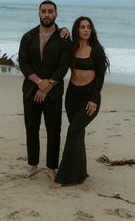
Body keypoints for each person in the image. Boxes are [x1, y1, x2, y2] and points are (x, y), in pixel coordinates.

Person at [51, 16, 109, 187]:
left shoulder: (97, 50)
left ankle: (63, 177)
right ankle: (81, 173)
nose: (85, 30)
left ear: (92, 31)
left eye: (88, 27)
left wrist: (94, 99)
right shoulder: (71, 48)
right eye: (82, 27)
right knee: (79, 133)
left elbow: (100, 77)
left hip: (89, 99)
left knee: (72, 131)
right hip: (72, 97)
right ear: (77, 30)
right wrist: (62, 30)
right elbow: (58, 43)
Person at [18, 0, 71, 180]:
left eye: (50, 11)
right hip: (30, 91)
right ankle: (33, 165)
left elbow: (64, 65)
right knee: (31, 129)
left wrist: (47, 86)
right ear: (39, 13)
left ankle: (51, 167)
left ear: (56, 14)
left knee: (53, 130)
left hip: (54, 93)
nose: (46, 14)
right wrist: (39, 82)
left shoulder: (63, 37)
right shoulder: (28, 37)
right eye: (43, 11)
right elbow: (23, 63)